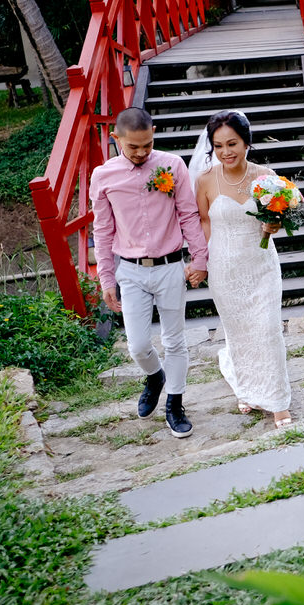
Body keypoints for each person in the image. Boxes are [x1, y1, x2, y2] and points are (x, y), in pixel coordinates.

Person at [90, 106, 207, 438]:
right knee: (138, 344)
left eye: (147, 145)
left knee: (175, 341)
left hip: (171, 267)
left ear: (153, 133)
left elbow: (188, 215)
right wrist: (107, 277)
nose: (141, 153)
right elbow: (102, 230)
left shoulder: (172, 165)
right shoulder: (103, 176)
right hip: (130, 271)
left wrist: (199, 259)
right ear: (116, 139)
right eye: (133, 147)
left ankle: (175, 403)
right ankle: (155, 376)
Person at [191, 109, 294, 428]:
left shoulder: (266, 177)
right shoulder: (206, 180)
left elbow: (277, 213)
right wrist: (204, 264)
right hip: (225, 268)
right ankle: (247, 387)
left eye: (232, 143)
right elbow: (205, 221)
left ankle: (278, 401)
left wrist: (274, 225)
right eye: (218, 146)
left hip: (260, 263)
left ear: (246, 141)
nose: (226, 152)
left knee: (267, 328)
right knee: (238, 333)